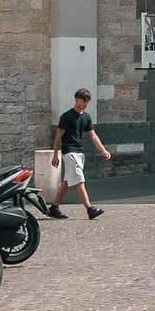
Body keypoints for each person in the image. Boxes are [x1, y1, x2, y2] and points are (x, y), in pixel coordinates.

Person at [48, 88, 112, 219]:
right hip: (69, 152)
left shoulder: (86, 117)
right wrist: (55, 155)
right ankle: (90, 209)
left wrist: (103, 150)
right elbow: (58, 137)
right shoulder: (66, 117)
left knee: (67, 182)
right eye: (83, 101)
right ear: (76, 99)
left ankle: (54, 207)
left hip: (79, 153)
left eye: (87, 101)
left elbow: (93, 136)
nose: (85, 104)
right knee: (79, 180)